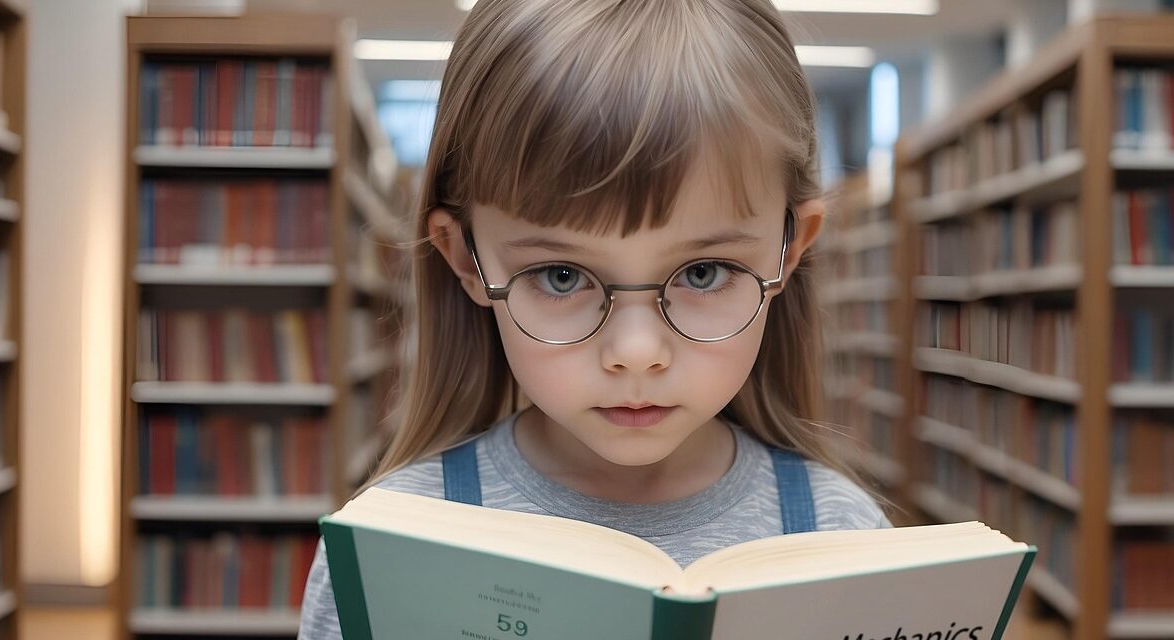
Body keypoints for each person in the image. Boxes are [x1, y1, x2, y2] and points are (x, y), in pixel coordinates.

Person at [300, 0, 891, 636]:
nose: (636, 352)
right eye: (562, 276)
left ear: (790, 248)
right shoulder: (388, 549)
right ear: (467, 262)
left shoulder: (847, 539)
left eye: (703, 272)